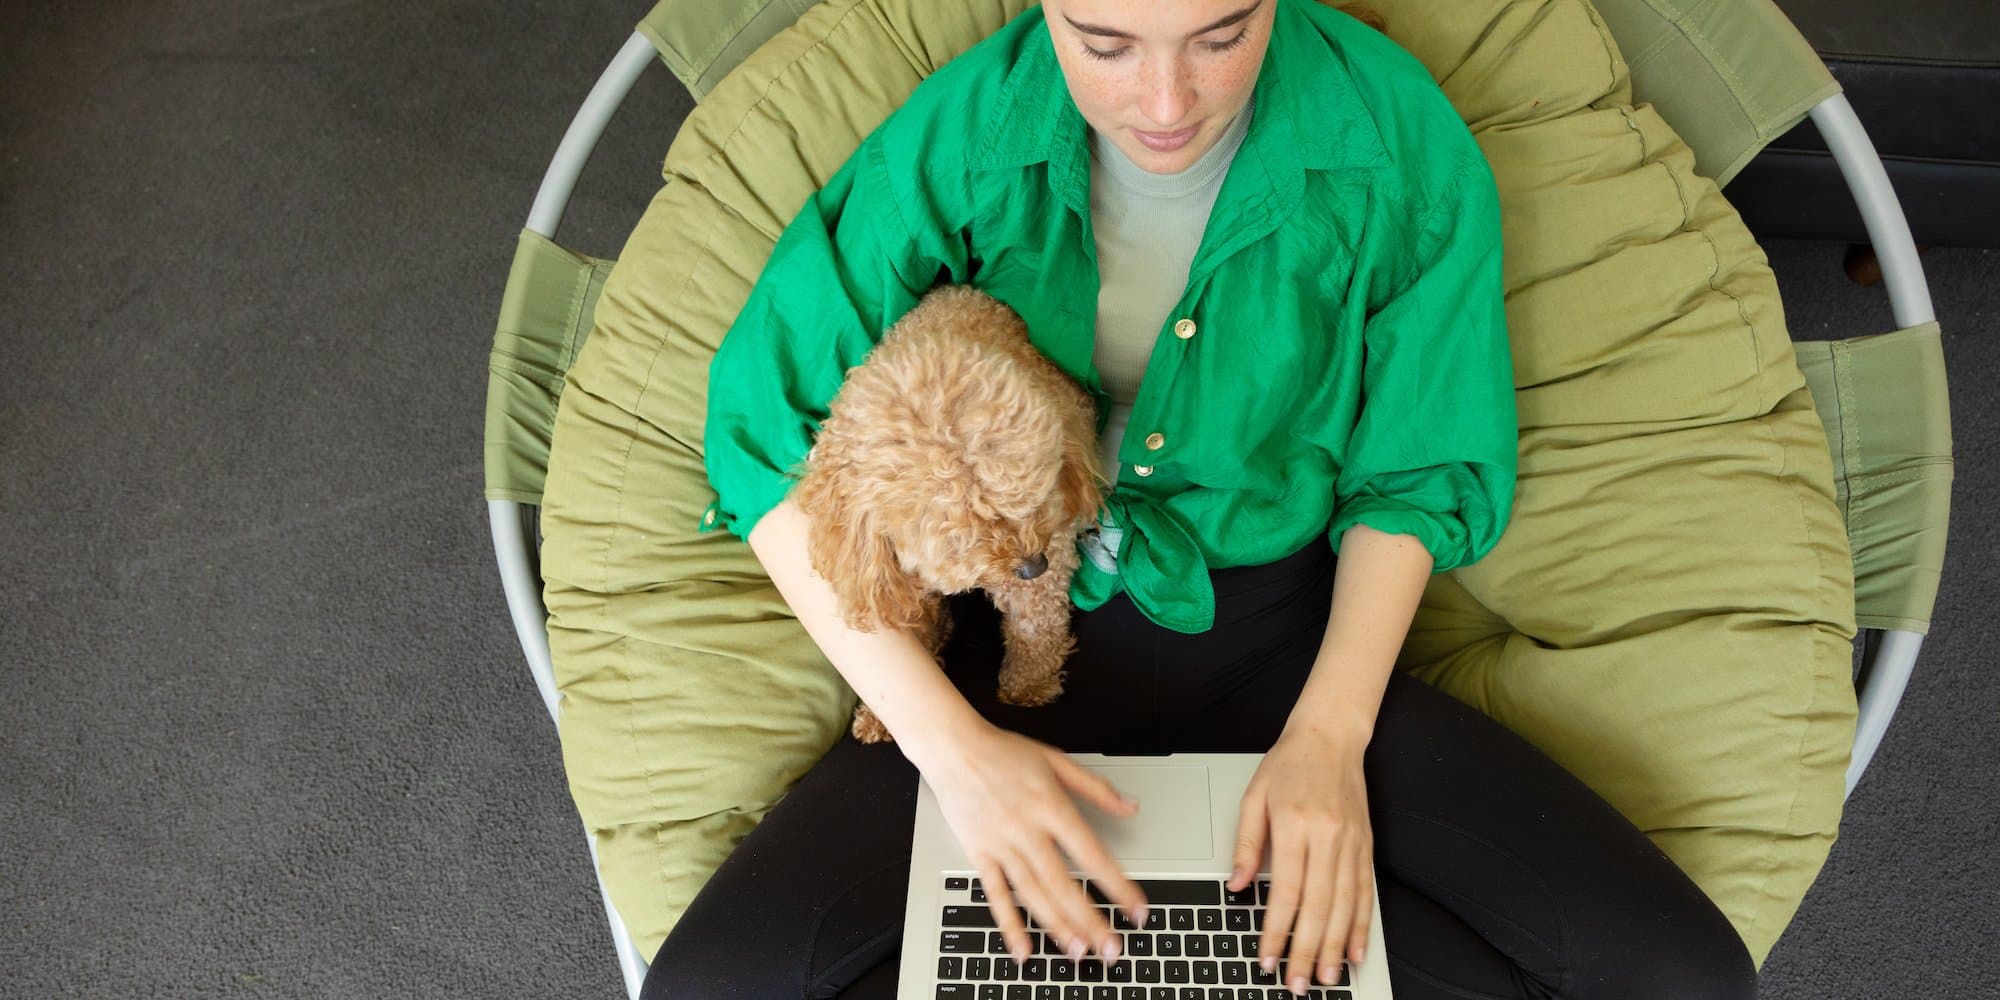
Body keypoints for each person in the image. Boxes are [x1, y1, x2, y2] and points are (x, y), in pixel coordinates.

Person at [657, 0, 1760, 996]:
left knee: (1682, 972)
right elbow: (756, 429)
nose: (1166, 102)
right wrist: (951, 750)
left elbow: (1419, 472)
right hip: (1004, 653)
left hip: (1280, 650)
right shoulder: (969, 129)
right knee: (707, 985)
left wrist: (1329, 737)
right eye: (1103, 45)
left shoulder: (1393, 138)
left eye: (1222, 34)